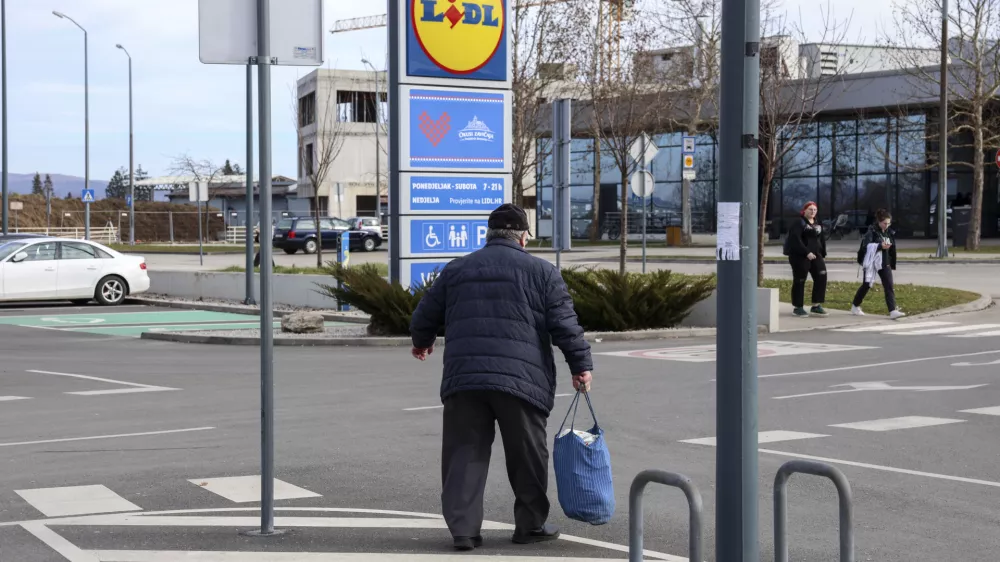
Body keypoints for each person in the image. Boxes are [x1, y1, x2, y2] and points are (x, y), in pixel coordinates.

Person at [409, 203, 594, 552]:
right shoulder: (543, 272)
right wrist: (580, 366)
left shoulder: (457, 269)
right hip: (521, 381)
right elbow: (565, 326)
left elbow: (425, 313)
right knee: (527, 455)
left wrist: (422, 342)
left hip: (465, 381)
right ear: (523, 237)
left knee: (464, 452)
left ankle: (463, 531)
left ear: (488, 234)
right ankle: (530, 526)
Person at [852, 208, 905, 319]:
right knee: (866, 284)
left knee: (889, 285)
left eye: (888, 223)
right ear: (879, 222)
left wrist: (890, 261)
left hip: (884, 262)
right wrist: (880, 246)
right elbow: (866, 246)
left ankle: (892, 311)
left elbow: (892, 249)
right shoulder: (871, 232)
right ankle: (855, 305)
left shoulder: (889, 232)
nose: (887, 225)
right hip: (871, 262)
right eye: (884, 223)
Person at [786, 201, 828, 317]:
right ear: (804, 210)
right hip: (799, 256)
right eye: (810, 209)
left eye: (815, 210)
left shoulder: (817, 223)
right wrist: (806, 252)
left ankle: (816, 305)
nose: (813, 212)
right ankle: (798, 307)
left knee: (821, 275)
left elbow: (821, 239)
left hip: (816, 255)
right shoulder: (798, 223)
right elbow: (795, 240)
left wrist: (822, 252)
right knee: (800, 280)